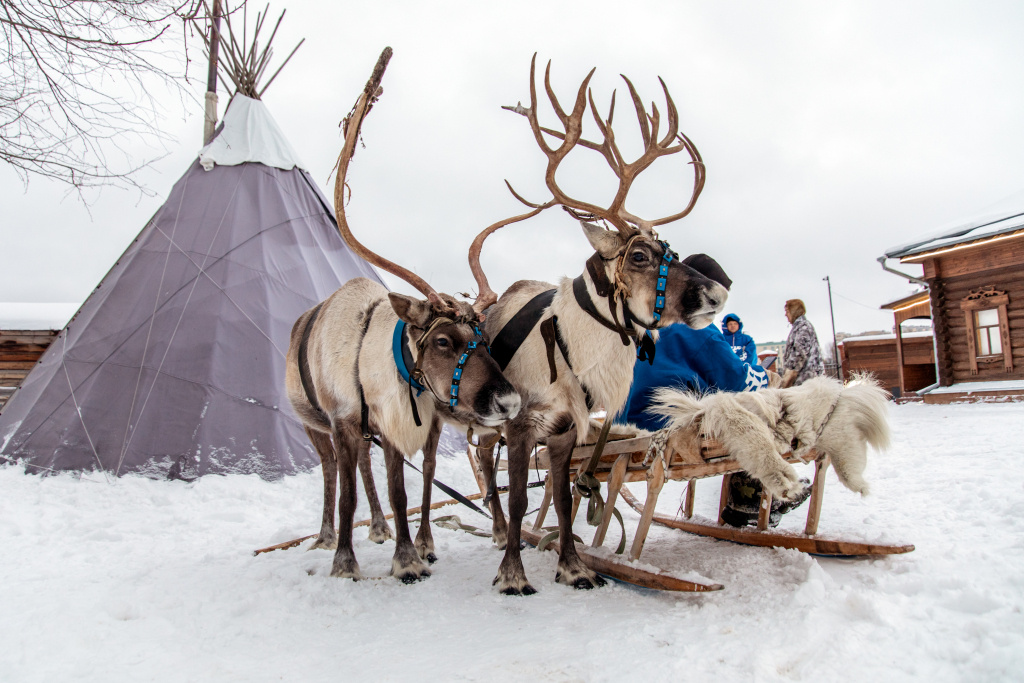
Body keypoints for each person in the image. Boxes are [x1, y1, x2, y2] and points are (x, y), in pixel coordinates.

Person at [616, 258, 809, 527]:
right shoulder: (695, 327)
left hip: (626, 421)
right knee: (749, 412)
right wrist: (767, 377)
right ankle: (749, 498)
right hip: (666, 426)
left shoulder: (644, 320)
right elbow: (735, 380)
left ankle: (748, 496)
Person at [781, 299, 825, 388]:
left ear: (794, 311)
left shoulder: (803, 327)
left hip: (807, 383)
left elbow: (799, 353)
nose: (785, 314)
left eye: (787, 311)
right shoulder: (799, 326)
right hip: (804, 382)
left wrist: (788, 377)